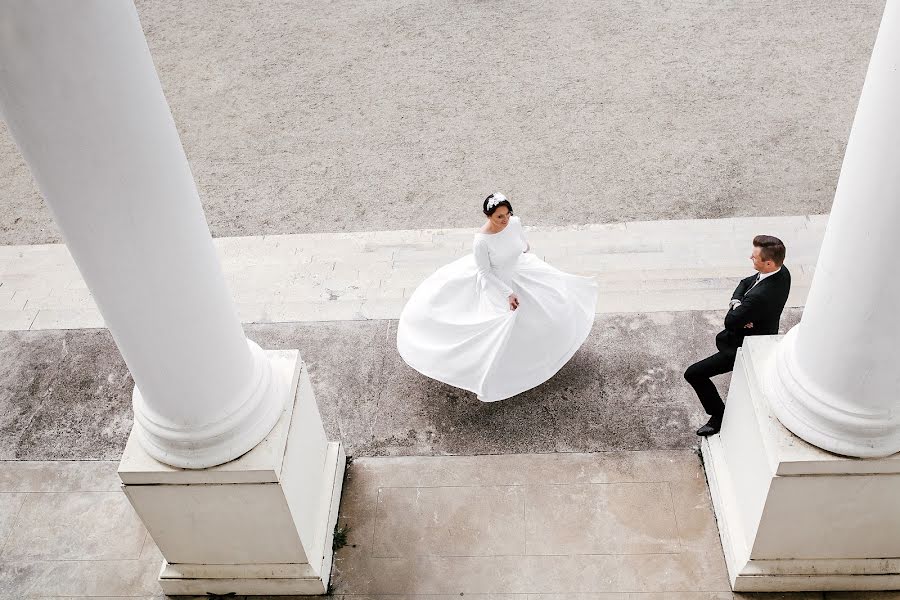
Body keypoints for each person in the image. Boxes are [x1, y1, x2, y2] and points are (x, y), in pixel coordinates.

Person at [397, 192, 598, 402]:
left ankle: (535, 361)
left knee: (551, 306)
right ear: (488, 216)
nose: (505, 221)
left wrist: (524, 256)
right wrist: (507, 293)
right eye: (499, 217)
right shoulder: (481, 242)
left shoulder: (515, 223)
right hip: (498, 284)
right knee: (501, 329)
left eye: (507, 214)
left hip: (518, 271)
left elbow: (524, 246)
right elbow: (485, 273)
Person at [685, 235, 791, 436]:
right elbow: (745, 282)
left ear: (768, 263)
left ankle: (718, 416)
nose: (750, 258)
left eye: (754, 257)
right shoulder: (782, 272)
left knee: (694, 373)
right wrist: (737, 302)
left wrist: (739, 309)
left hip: (742, 345)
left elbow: (731, 321)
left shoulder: (759, 297)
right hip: (760, 330)